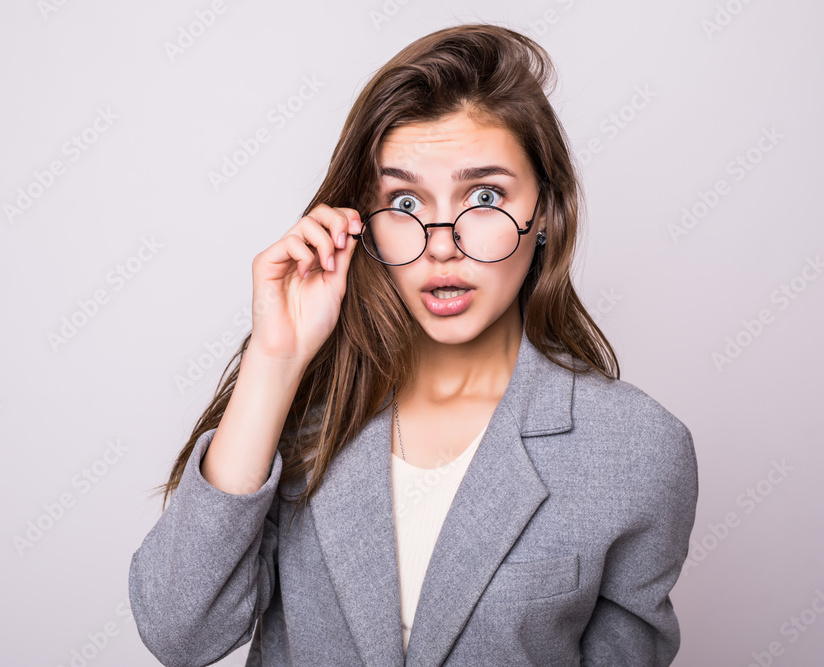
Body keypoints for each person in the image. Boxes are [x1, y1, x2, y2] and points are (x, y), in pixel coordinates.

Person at [129, 22, 698, 666]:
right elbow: (179, 633)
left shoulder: (637, 449)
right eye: (404, 202)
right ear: (361, 225)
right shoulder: (306, 407)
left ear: (544, 210)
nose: (441, 244)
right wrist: (274, 362)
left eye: (483, 197)